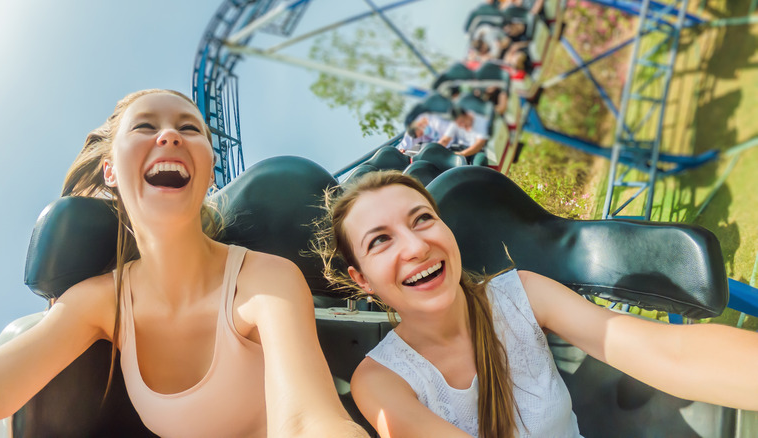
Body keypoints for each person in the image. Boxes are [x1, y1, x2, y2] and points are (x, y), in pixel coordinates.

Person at [0, 89, 368, 438]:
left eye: (190, 128)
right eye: (145, 126)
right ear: (110, 170)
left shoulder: (265, 279)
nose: (170, 136)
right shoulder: (100, 301)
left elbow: (308, 420)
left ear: (211, 170)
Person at [313, 171, 758, 438]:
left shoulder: (521, 293)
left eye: (423, 219)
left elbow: (667, 353)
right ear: (361, 280)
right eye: (381, 241)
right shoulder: (379, 381)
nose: (415, 246)